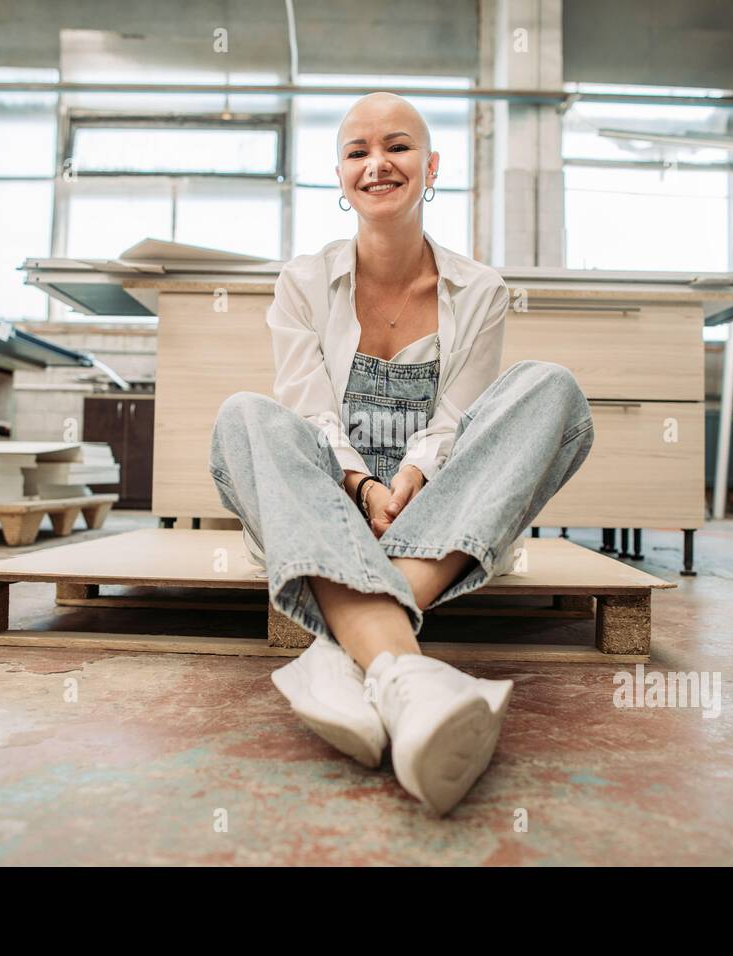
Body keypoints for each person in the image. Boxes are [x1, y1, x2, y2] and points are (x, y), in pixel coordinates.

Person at [209, 92, 594, 815]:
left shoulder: (479, 289)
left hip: (441, 515)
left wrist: (411, 478)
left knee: (552, 389)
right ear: (340, 175)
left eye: (397, 146)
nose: (378, 163)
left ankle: (347, 652)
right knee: (245, 418)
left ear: (431, 165)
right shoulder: (301, 282)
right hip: (328, 513)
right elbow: (308, 412)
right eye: (357, 152)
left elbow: (455, 421)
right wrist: (360, 489)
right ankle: (409, 677)